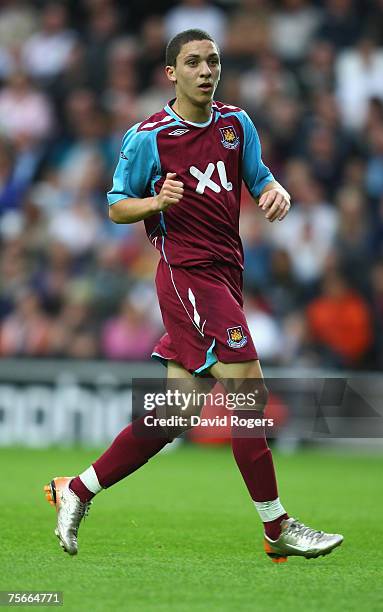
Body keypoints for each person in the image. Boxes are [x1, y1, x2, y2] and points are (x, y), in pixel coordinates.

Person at [44, 29, 343, 563]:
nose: (206, 70)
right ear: (171, 73)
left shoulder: (237, 124)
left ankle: (79, 488)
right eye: (193, 62)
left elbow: (260, 178)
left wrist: (276, 190)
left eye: (213, 61)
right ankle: (277, 526)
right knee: (248, 389)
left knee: (174, 414)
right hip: (187, 274)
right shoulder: (149, 136)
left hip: (226, 275)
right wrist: (156, 200)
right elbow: (115, 206)